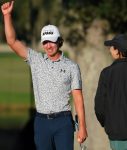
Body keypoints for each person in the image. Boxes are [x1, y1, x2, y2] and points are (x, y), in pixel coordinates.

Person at [1, 1, 88, 150]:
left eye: (52, 42)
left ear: (59, 41)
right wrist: (7, 16)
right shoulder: (36, 60)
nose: (48, 46)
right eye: (45, 42)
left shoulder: (71, 66)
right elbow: (12, 41)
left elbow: (78, 99)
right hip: (42, 122)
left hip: (63, 121)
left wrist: (83, 127)